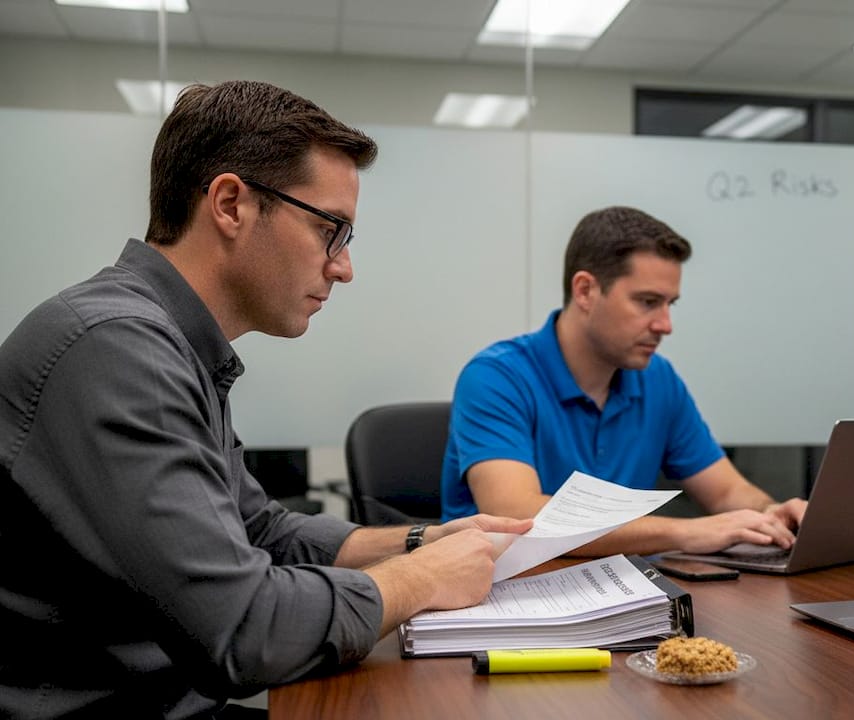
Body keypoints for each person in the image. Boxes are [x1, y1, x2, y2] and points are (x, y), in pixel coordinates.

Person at [0, 80, 530, 719]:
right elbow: (244, 631)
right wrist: (421, 579)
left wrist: (422, 541)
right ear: (230, 204)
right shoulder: (113, 349)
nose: (343, 267)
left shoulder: (168, 343)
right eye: (330, 229)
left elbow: (263, 530)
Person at [441, 206, 806, 557]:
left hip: (624, 594)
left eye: (669, 304)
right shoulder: (496, 377)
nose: (665, 325)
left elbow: (726, 491)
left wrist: (771, 512)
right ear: (585, 291)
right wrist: (685, 532)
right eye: (648, 302)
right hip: (503, 598)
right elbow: (518, 517)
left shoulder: (657, 379)